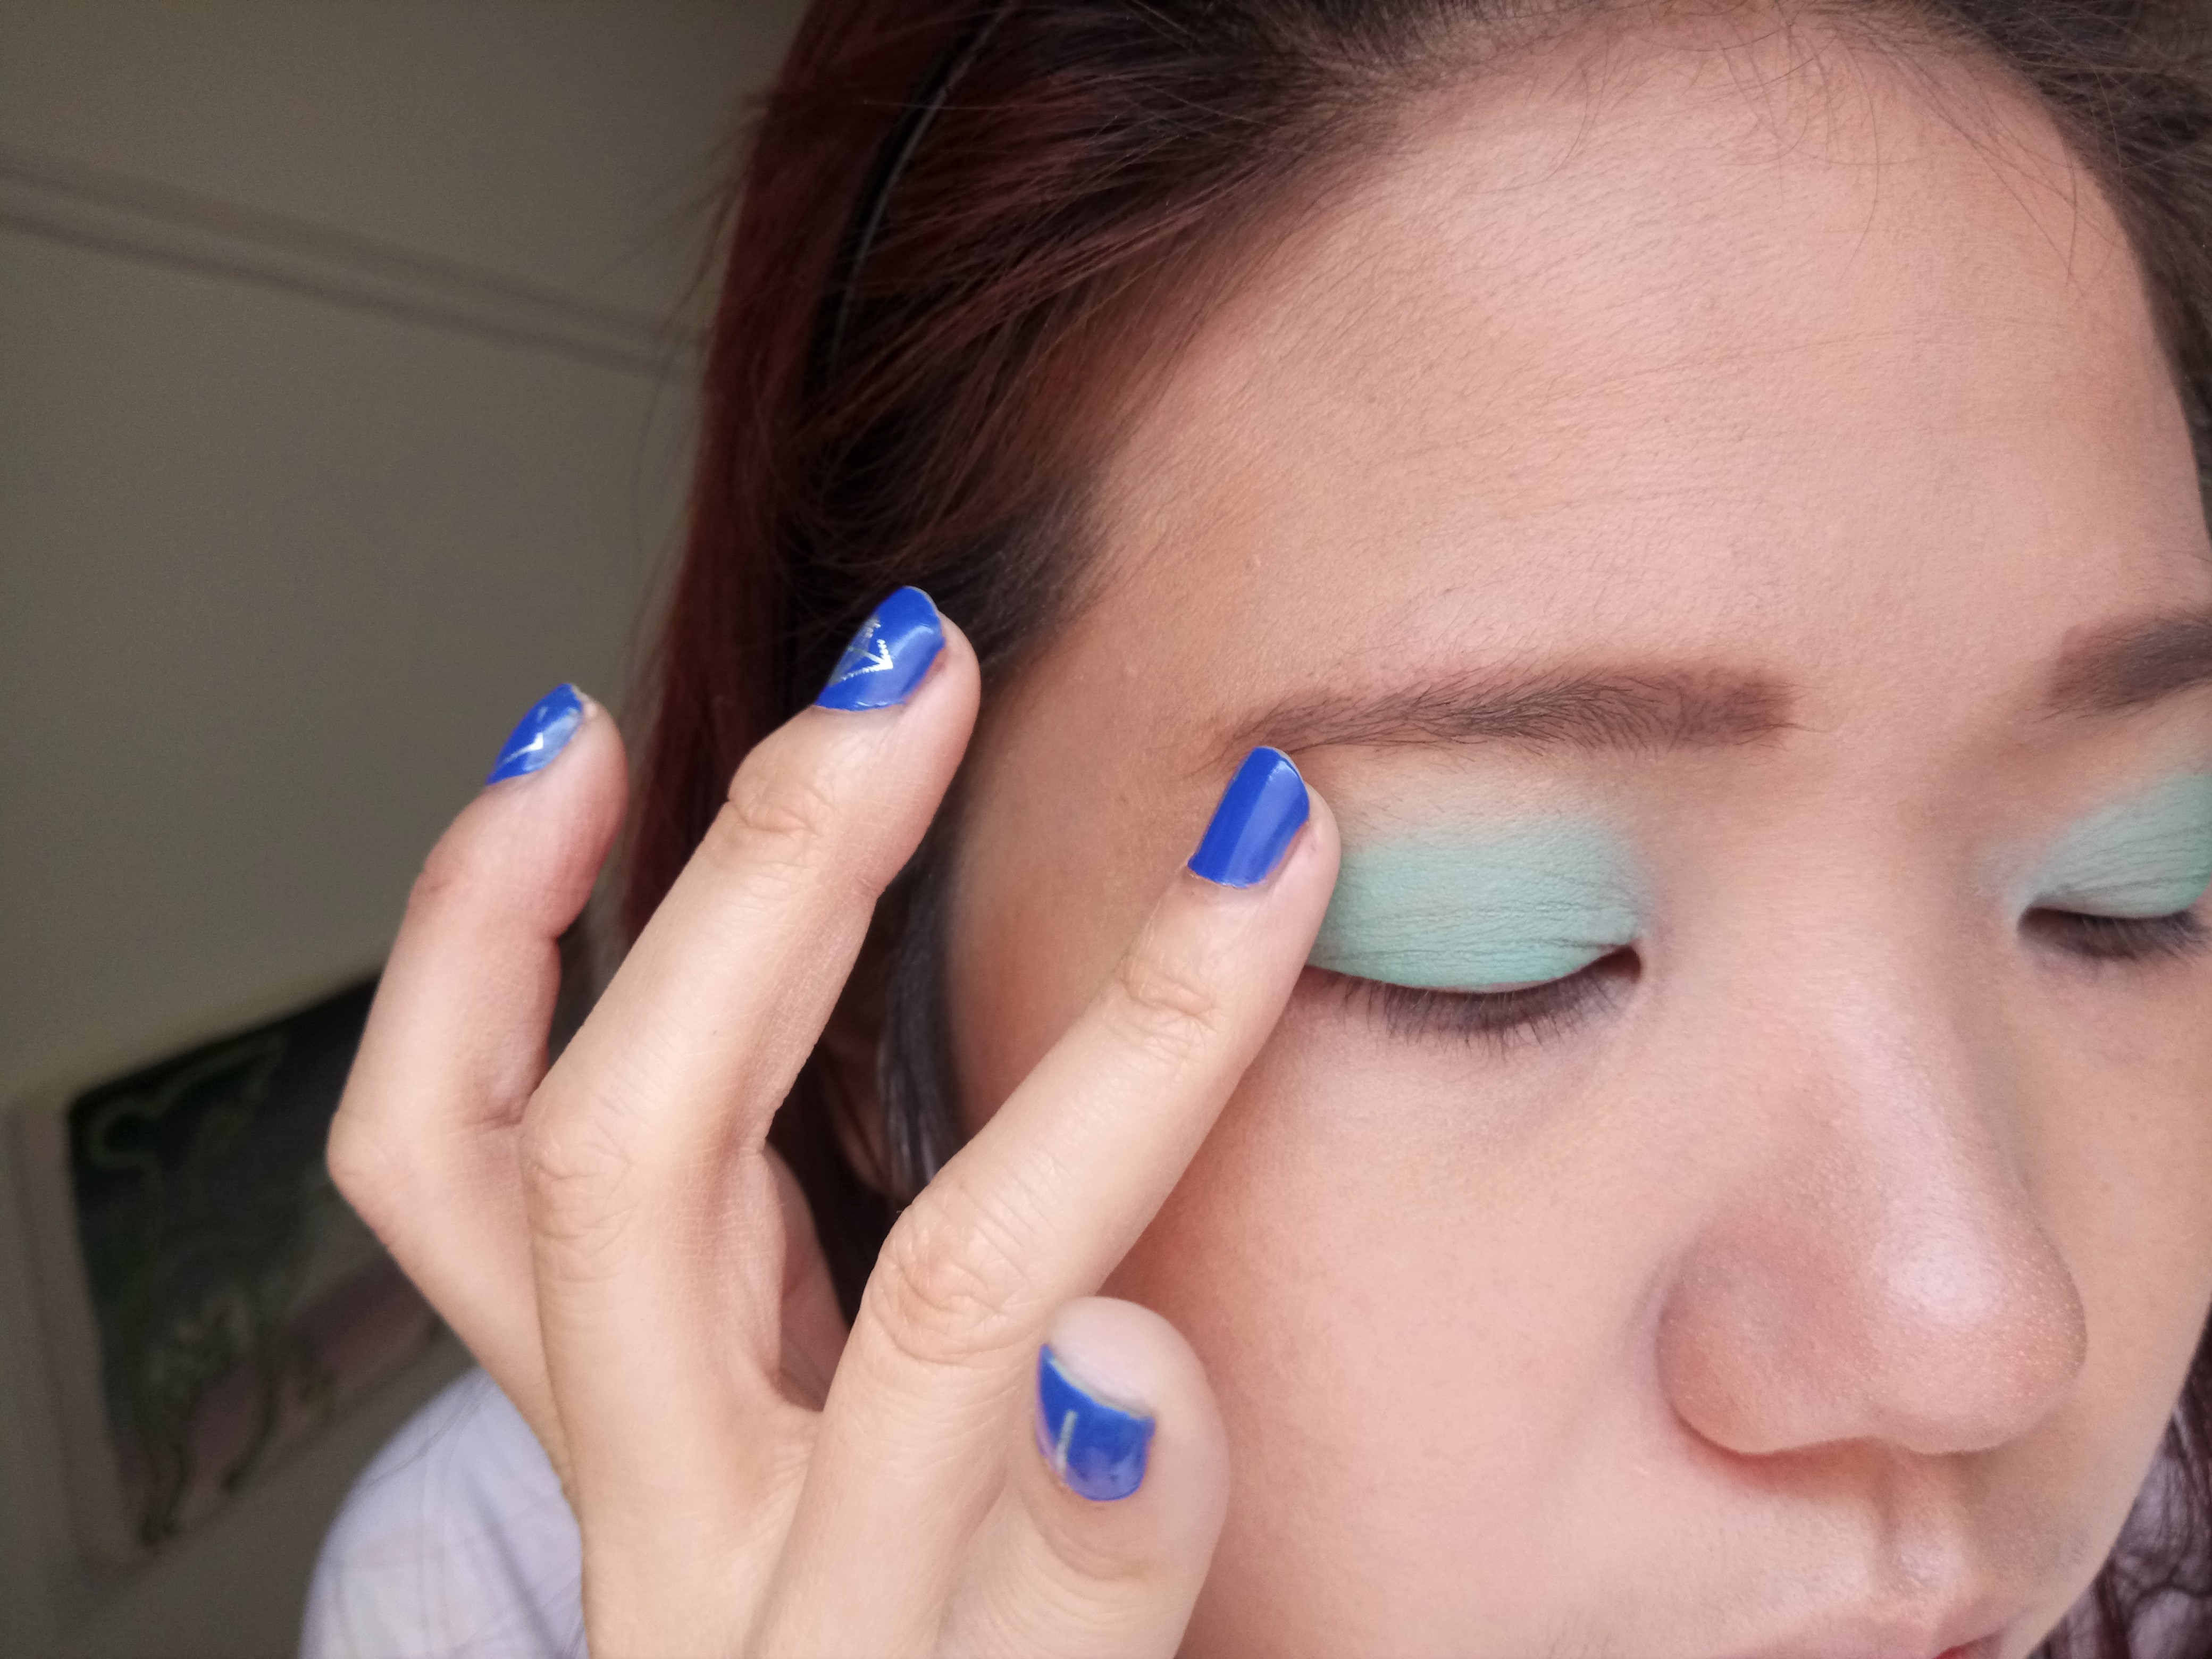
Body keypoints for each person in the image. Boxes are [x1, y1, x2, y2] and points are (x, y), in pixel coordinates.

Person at [301, 0, 2212, 1653]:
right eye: (1501, 944)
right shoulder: (483, 1590)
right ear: (869, 1007)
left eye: (2140, 883)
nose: (1983, 1336)